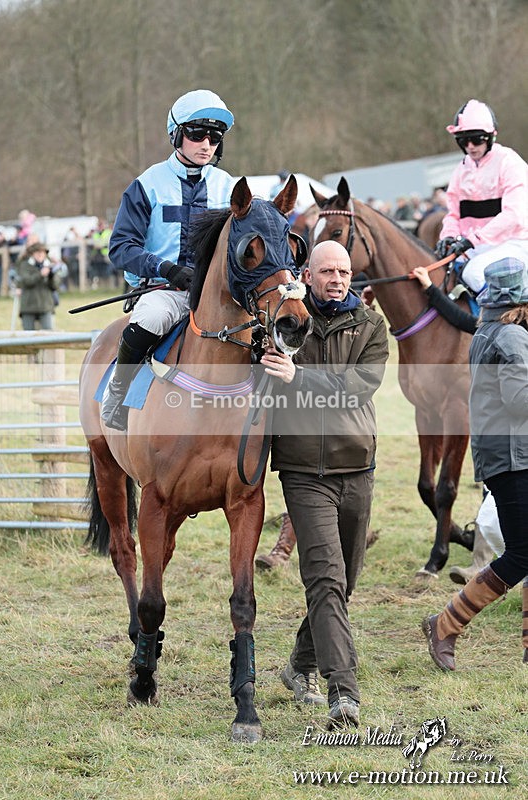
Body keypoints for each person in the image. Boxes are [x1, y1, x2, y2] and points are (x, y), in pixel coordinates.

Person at [261, 240, 389, 728]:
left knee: (345, 582)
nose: (337, 278)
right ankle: (344, 694)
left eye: (344, 271)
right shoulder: (287, 321)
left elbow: (358, 388)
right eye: (327, 271)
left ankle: (299, 664)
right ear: (308, 275)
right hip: (303, 471)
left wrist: (298, 376)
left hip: (358, 467)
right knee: (326, 579)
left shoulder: (372, 326)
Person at [101, 89, 235, 431]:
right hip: (164, 291)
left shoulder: (228, 186)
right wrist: (167, 268)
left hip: (216, 295)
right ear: (176, 134)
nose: (206, 144)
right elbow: (120, 247)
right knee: (152, 317)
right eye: (196, 134)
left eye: (215, 137)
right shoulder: (147, 185)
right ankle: (119, 392)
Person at [422, 256, 528, 670]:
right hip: (514, 458)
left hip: (504, 456)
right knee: (520, 555)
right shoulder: (512, 337)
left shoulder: (488, 331)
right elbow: (520, 402)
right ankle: (445, 624)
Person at [435, 99, 528, 295]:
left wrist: (473, 240)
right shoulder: (461, 169)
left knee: (475, 273)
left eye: (476, 139)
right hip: (478, 246)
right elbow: (453, 214)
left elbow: (514, 215)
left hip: (516, 242)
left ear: (491, 137)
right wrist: (448, 236)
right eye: (463, 140)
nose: (470, 146)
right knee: (438, 271)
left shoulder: (509, 162)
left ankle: (511, 320)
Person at [16, 242, 62, 331]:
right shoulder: (25, 265)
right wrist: (40, 274)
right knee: (27, 336)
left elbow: (55, 286)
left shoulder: (49, 265)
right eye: (38, 252)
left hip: (45, 307)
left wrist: (51, 276)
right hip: (28, 307)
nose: (40, 254)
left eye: (43, 252)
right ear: (32, 254)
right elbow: (26, 281)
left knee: (48, 335)